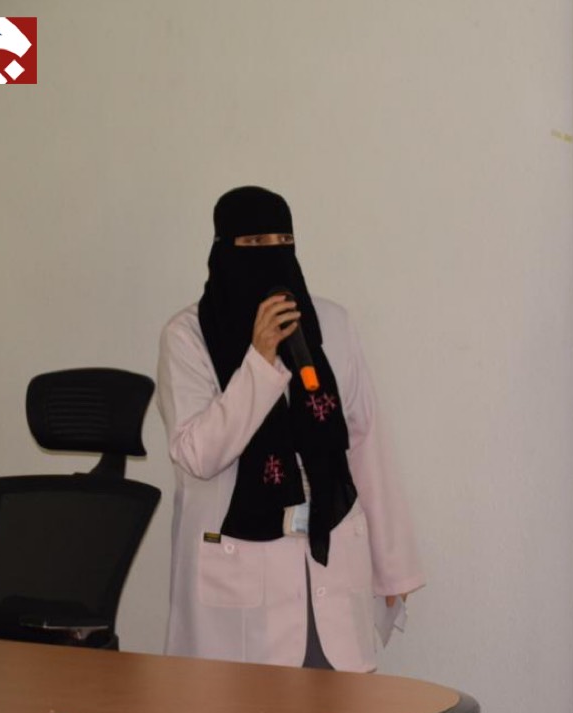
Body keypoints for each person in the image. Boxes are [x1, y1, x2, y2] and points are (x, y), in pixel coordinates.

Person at [157, 185, 424, 672]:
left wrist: (393, 567)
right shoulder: (188, 336)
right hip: (241, 575)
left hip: (329, 559)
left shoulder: (332, 324)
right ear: (224, 249)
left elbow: (365, 443)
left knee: (339, 707)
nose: (272, 254)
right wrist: (258, 362)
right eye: (255, 244)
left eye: (283, 240)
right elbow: (197, 454)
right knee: (244, 711)